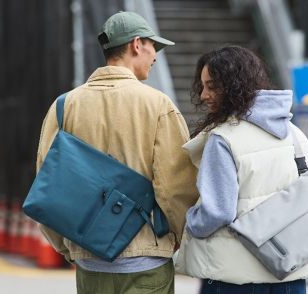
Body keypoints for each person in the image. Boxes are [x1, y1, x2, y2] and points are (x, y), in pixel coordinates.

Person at [36, 11, 198, 294]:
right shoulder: (158, 105)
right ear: (137, 44)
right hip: (145, 262)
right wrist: (175, 236)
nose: (155, 56)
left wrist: (67, 244)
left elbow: (48, 185)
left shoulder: (63, 106)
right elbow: (175, 188)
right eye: (153, 47)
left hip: (89, 265)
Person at [175, 46, 308, 294]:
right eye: (202, 86)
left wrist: (190, 221)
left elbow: (218, 213)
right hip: (289, 274)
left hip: (234, 278)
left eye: (212, 86)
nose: (204, 94)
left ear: (233, 85)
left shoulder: (223, 139)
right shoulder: (294, 134)